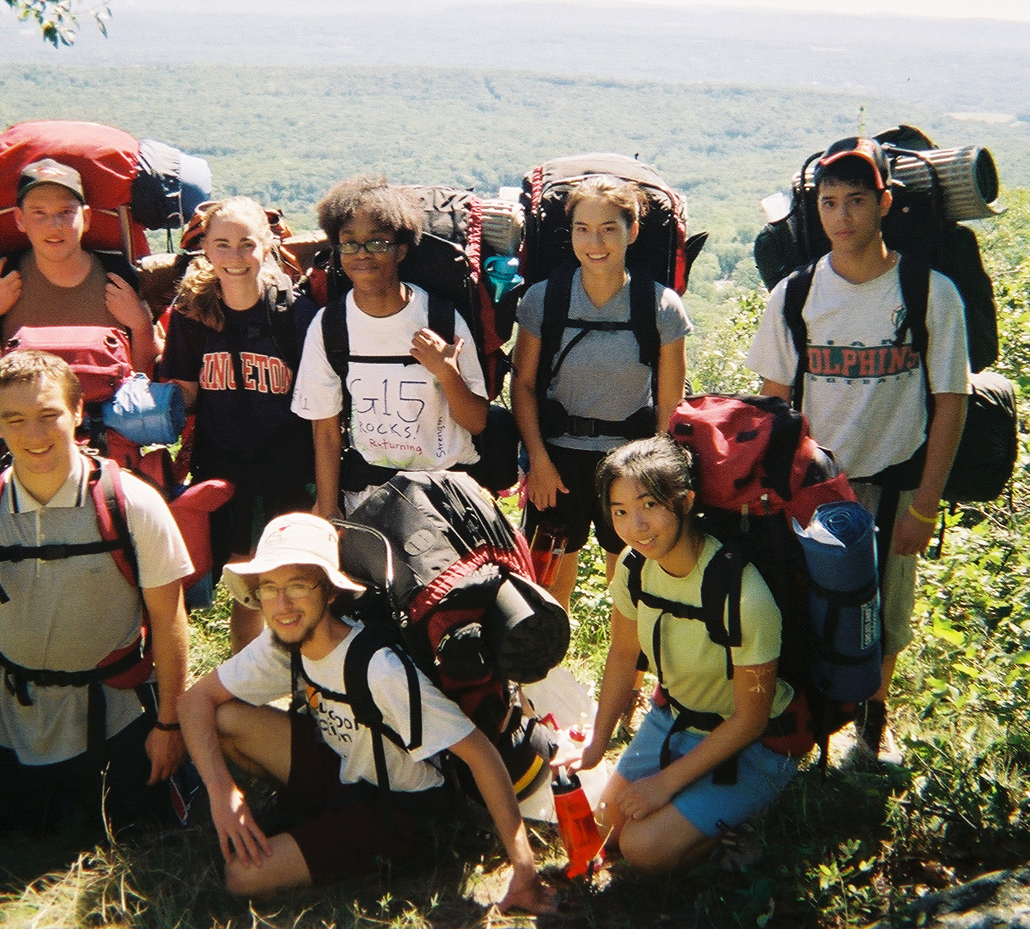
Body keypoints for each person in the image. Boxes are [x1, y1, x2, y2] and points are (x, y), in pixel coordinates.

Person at [178, 513, 555, 911]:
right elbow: (193, 702)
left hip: (399, 810)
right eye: (269, 588)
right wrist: (223, 794)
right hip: (344, 770)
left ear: (330, 593)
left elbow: (482, 755)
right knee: (226, 720)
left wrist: (525, 873)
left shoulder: (380, 670)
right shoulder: (282, 641)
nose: (282, 604)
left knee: (242, 876)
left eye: (298, 586)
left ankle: (324, 841)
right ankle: (314, 826)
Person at [745, 137, 969, 764]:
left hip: (896, 482)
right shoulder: (794, 295)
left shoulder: (930, 293)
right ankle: (807, 722)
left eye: (856, 201)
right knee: (807, 604)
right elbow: (774, 409)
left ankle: (873, 718)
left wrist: (926, 503)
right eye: (829, 202)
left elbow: (950, 400)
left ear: (885, 204)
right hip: (815, 490)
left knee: (888, 613)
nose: (841, 217)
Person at [0, 351, 193, 832]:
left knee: (127, 831)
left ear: (76, 413)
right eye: (15, 419)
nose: (35, 435)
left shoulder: (131, 502)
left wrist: (169, 726)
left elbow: (169, 617)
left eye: (49, 415)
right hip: (9, 716)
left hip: (115, 713)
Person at [564, 435, 798, 873]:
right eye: (619, 511)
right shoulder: (634, 568)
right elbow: (621, 654)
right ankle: (694, 812)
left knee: (642, 849)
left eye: (649, 505)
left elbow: (751, 719)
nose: (635, 526)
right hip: (674, 719)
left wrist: (662, 785)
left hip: (753, 744)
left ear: (686, 501)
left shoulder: (742, 593)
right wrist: (598, 743)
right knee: (604, 829)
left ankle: (745, 830)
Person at [511, 175, 691, 613]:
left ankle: (626, 677)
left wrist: (660, 479)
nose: (595, 241)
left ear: (631, 231)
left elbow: (670, 403)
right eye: (582, 229)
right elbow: (523, 385)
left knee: (631, 586)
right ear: (569, 233)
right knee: (546, 585)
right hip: (556, 462)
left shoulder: (661, 306)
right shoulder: (544, 299)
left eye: (609, 228)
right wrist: (537, 460)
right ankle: (544, 676)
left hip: (631, 461)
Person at [160, 197, 318, 653]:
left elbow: (323, 404)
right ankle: (248, 679)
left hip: (288, 466)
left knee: (292, 575)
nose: (234, 256)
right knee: (246, 576)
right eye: (222, 244)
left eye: (246, 243)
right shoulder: (192, 315)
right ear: (205, 249)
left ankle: (302, 678)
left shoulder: (294, 314)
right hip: (223, 464)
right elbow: (185, 392)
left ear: (267, 245)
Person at [291, 175, 489, 518]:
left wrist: (447, 372)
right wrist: (327, 507)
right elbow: (325, 431)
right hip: (367, 497)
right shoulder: (329, 326)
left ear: (401, 249)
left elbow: (476, 422)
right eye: (349, 243)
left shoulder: (440, 318)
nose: (361, 254)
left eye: (377, 242)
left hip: (445, 496)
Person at [0, 158, 159, 374]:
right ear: (20, 219)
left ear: (86, 218)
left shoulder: (119, 276)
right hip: (25, 404)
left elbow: (144, 375)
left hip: (104, 405)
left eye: (66, 212)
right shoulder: (0, 275)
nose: (54, 225)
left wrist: (141, 325)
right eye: (39, 213)